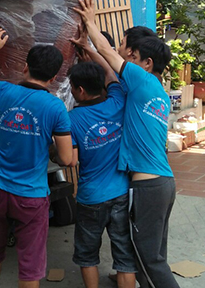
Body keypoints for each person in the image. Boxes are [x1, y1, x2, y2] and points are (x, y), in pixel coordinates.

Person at [74, 0, 179, 288]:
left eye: (130, 55)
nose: (124, 57)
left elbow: (108, 55)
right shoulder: (157, 90)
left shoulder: (141, 80)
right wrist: (87, 48)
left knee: (149, 258)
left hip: (146, 185)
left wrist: (90, 21)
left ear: (146, 63)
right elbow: (109, 71)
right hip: (164, 182)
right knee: (155, 253)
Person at [0, 27, 74, 288]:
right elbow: (64, 156)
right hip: (31, 196)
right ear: (53, 77)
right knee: (30, 263)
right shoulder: (55, 107)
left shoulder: (5, 92)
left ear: (25, 68)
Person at [66, 38, 136, 288]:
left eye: (73, 87)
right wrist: (92, 52)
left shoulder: (72, 119)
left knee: (87, 255)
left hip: (91, 198)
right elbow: (110, 73)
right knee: (124, 256)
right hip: (120, 194)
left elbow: (70, 160)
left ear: (80, 91)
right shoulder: (117, 102)